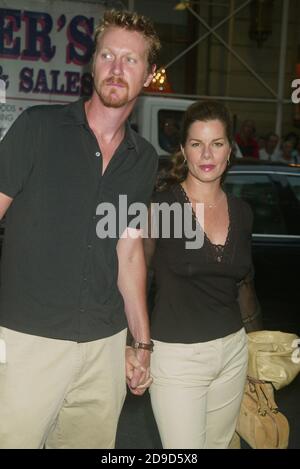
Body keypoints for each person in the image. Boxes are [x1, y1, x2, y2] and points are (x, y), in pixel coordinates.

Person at [0, 10, 160, 449]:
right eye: (108, 55)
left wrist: (141, 345)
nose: (116, 68)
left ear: (147, 74)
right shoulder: (38, 128)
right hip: (28, 341)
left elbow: (129, 255)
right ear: (92, 64)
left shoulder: (143, 158)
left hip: (105, 348)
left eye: (131, 60)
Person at [144, 100, 262, 449]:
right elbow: (136, 278)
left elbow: (244, 286)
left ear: (230, 150)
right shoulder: (161, 207)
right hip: (177, 358)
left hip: (233, 352)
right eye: (197, 144)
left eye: (217, 143)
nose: (207, 154)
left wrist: (256, 350)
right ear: (183, 150)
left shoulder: (242, 212)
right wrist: (134, 344)